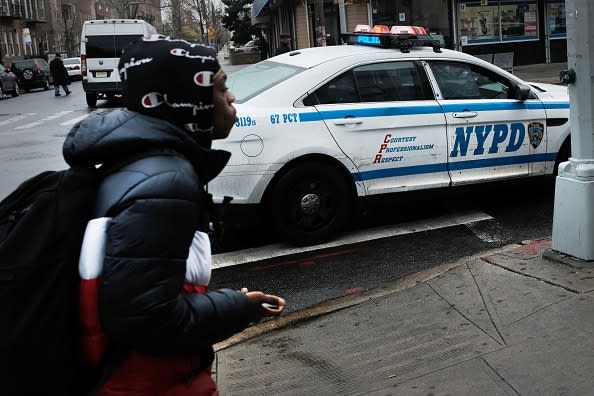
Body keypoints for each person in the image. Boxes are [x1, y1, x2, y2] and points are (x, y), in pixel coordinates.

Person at [64, 35, 286, 396]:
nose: (231, 97)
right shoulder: (167, 182)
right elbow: (146, 319)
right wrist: (238, 307)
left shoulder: (142, 160)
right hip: (150, 382)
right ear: (188, 99)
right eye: (220, 87)